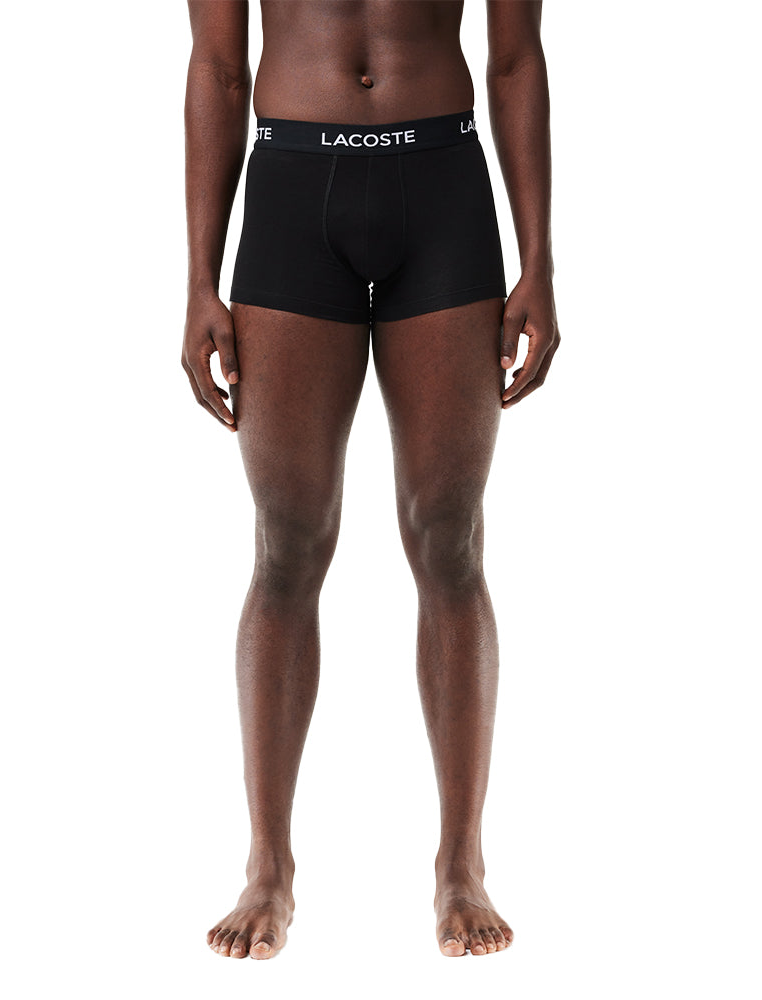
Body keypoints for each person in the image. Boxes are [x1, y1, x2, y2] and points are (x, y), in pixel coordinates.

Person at [182, 0, 560, 960]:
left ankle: (461, 863)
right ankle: (268, 865)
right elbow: (218, 67)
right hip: (290, 188)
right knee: (287, 543)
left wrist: (539, 263)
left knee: (448, 536)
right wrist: (199, 282)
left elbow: (516, 59)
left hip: (443, 187)